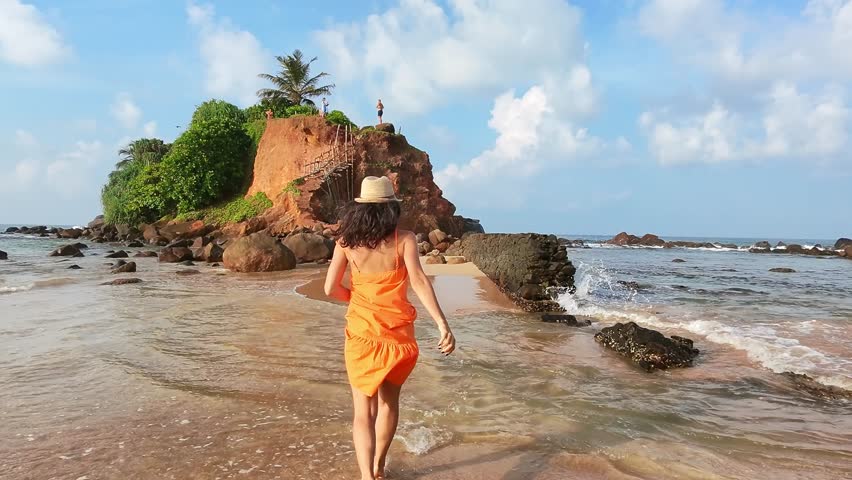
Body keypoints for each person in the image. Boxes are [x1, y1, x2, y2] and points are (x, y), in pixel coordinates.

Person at [324, 176, 455, 480]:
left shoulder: (345, 242)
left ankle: (366, 477)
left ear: (359, 209)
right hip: (397, 336)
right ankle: (379, 466)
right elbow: (420, 282)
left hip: (361, 334)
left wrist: (355, 300)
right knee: (389, 404)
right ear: (390, 209)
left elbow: (331, 287)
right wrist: (441, 324)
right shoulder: (404, 239)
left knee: (362, 413)